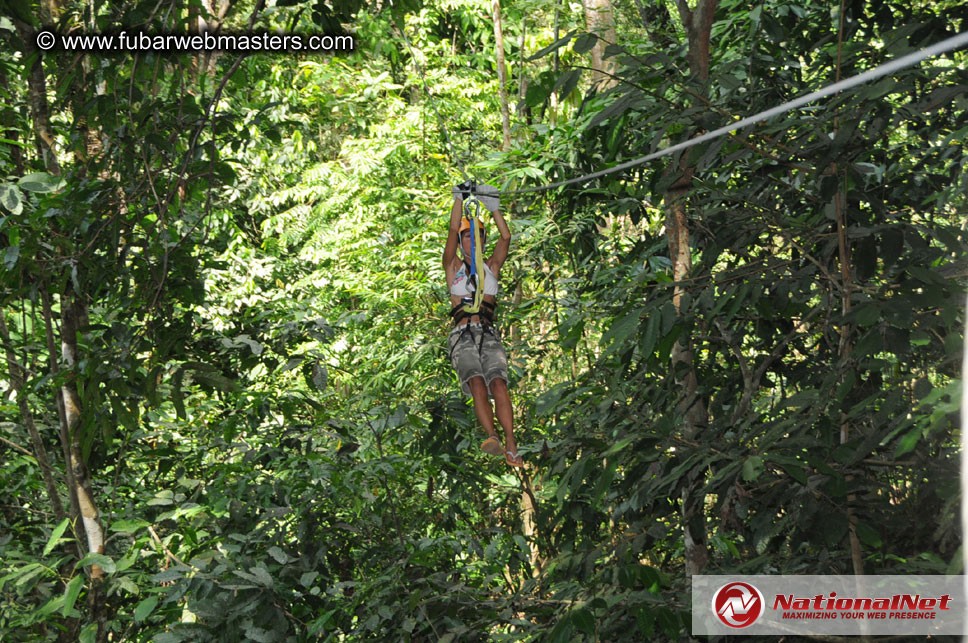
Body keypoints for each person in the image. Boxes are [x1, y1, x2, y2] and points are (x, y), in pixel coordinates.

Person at [443, 183, 522, 467]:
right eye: (468, 237)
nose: (471, 241)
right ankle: (492, 437)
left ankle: (512, 442)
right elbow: (452, 232)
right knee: (476, 382)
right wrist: (458, 201)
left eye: (477, 236)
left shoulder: (492, 267)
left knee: (498, 384)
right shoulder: (453, 267)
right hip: (462, 335)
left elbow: (506, 236)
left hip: (487, 333)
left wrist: (494, 208)